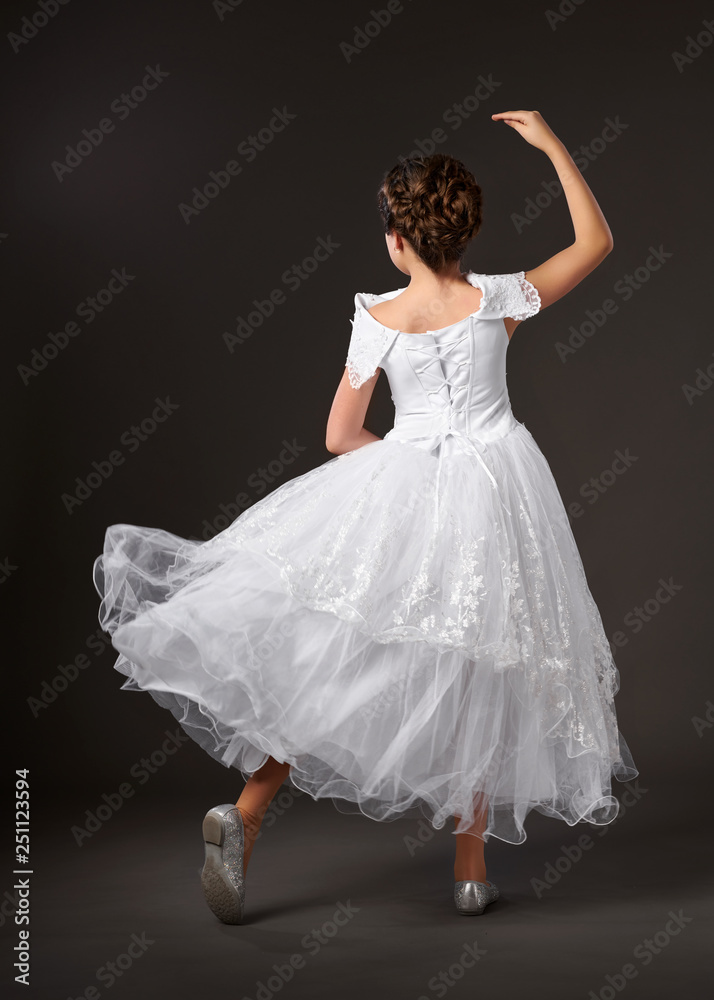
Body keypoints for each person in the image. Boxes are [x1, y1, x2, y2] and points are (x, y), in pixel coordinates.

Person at [92, 109, 638, 924]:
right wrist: (556, 144)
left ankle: (243, 816)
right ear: (464, 233)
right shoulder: (497, 300)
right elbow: (596, 245)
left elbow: (340, 436)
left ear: (398, 241)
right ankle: (468, 866)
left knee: (339, 652)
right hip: (501, 491)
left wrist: (402, 466)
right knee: (492, 658)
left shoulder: (376, 319)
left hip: (406, 486)